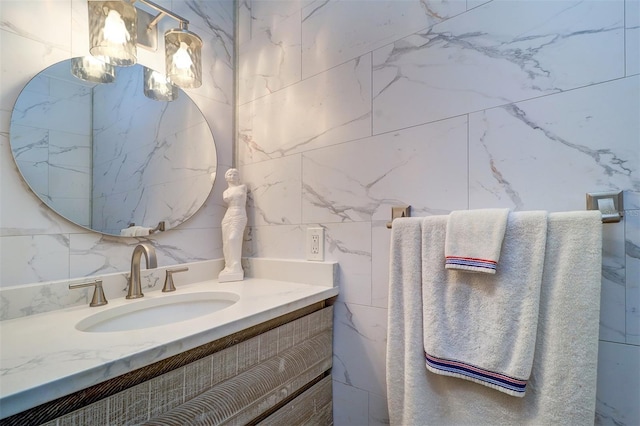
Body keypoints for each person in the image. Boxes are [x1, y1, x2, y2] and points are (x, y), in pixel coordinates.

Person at [219, 168, 247, 282]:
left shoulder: (242, 187)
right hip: (228, 215)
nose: (232, 176)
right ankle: (229, 266)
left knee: (233, 238)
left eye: (235, 174)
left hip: (239, 214)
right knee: (226, 241)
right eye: (230, 174)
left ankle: (236, 265)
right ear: (226, 177)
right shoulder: (225, 192)